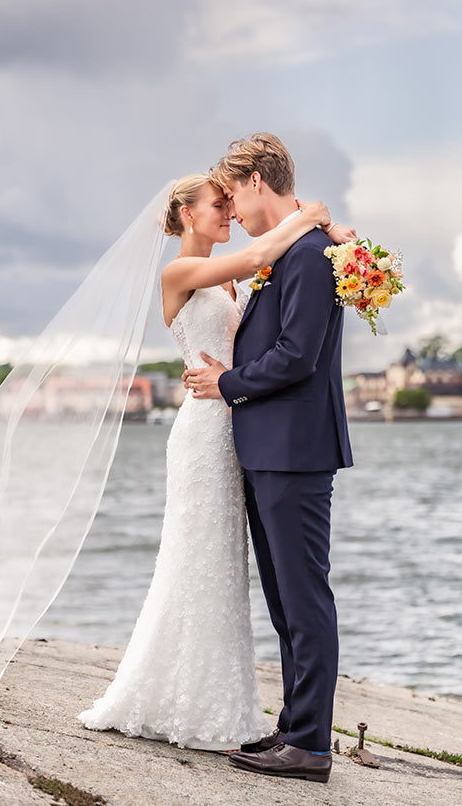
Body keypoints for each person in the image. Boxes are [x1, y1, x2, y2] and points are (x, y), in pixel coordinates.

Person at [76, 171, 355, 753]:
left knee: (228, 572)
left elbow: (275, 291)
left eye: (231, 203)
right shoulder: (181, 272)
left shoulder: (234, 284)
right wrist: (310, 216)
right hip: (205, 434)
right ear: (184, 214)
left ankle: (232, 704)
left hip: (242, 433)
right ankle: (176, 694)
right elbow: (260, 253)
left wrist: (335, 236)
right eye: (218, 206)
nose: (227, 213)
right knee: (193, 560)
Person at [184, 133, 354, 783]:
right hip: (271, 448)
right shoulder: (294, 251)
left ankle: (310, 745)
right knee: (286, 599)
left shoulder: (310, 254)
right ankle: (295, 727)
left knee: (304, 598)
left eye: (234, 195)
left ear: (257, 181)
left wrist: (226, 383)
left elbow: (298, 354)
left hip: (295, 450)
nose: (234, 208)